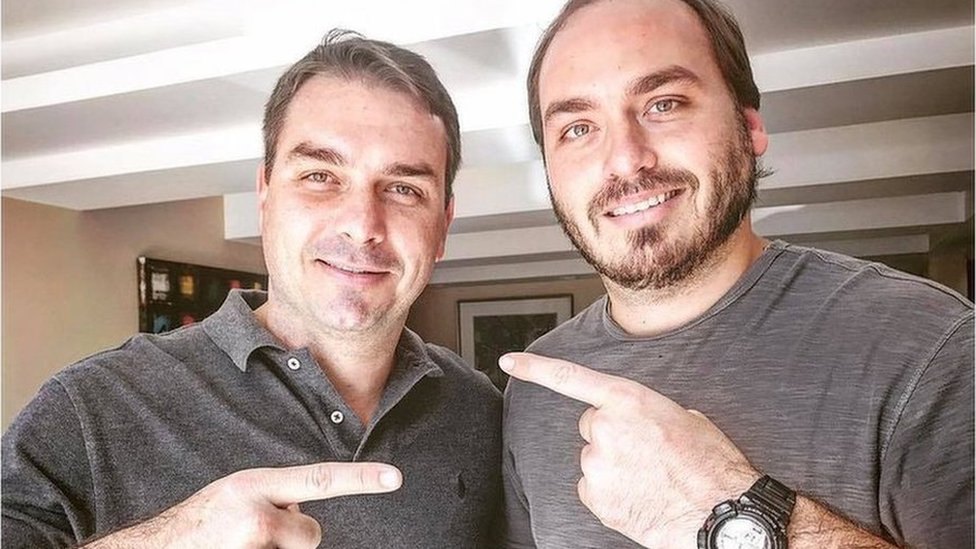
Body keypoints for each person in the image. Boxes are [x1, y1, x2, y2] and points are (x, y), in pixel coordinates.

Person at [2, 30, 502, 548]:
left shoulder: (479, 410)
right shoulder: (91, 406)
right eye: (320, 176)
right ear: (264, 196)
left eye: (403, 189)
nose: (361, 224)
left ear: (443, 225)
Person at [500, 0, 974, 548]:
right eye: (578, 128)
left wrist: (722, 512)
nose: (625, 159)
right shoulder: (533, 391)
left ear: (749, 126)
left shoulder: (933, 347)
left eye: (663, 104)